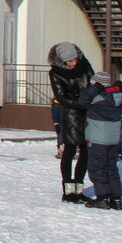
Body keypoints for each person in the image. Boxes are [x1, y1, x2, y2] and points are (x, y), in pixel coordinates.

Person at [79, 71, 122, 210]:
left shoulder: (98, 99)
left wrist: (94, 88)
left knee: (97, 168)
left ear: (97, 84)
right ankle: (116, 199)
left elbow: (82, 100)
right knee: (111, 167)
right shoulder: (119, 98)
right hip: (114, 138)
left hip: (98, 139)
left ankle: (102, 198)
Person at [48, 42, 93, 203]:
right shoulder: (55, 73)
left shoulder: (84, 64)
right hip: (71, 114)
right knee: (70, 150)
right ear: (63, 61)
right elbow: (61, 97)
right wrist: (82, 103)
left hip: (88, 113)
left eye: (75, 59)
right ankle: (68, 192)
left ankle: (79, 190)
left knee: (85, 151)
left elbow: (93, 84)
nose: (74, 63)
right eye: (70, 61)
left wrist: (91, 101)